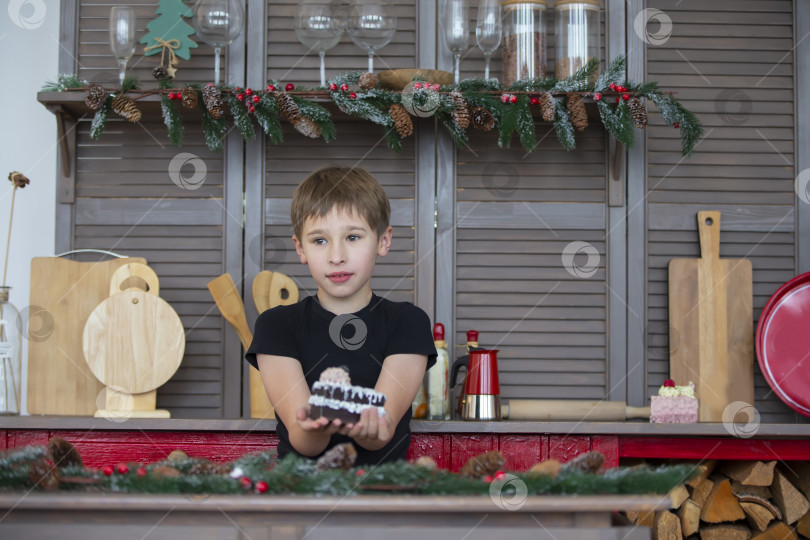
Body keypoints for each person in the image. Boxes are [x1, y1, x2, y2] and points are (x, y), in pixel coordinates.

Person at [245, 166, 436, 465]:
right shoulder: (276, 326)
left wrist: (366, 426)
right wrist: (316, 427)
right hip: (299, 499)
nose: (336, 256)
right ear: (300, 248)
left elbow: (381, 434)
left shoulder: (408, 323)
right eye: (319, 240)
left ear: (383, 241)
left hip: (383, 499)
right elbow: (302, 441)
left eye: (353, 237)